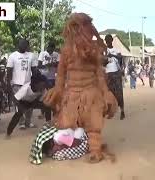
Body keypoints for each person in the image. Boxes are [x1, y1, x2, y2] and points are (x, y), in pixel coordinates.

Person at [43, 13, 117, 163]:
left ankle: (95, 149)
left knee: (93, 126)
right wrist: (58, 89)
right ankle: (77, 143)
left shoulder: (94, 51)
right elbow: (61, 75)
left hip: (91, 93)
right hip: (72, 94)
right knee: (67, 126)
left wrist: (106, 92)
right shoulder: (66, 51)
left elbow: (99, 75)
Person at [6, 39, 38, 129]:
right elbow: (9, 71)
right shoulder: (13, 56)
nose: (24, 45)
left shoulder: (31, 56)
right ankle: (21, 122)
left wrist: (35, 82)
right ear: (18, 44)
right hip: (16, 84)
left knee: (29, 104)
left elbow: (34, 70)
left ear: (27, 46)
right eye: (22, 43)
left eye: (25, 44)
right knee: (19, 104)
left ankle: (28, 121)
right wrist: (9, 84)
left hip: (28, 84)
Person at [104, 34, 125, 120]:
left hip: (116, 73)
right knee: (109, 93)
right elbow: (102, 62)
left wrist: (113, 55)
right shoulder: (104, 50)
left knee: (119, 93)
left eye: (109, 40)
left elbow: (120, 58)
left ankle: (122, 111)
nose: (107, 41)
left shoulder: (116, 50)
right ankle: (110, 111)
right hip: (107, 73)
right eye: (106, 40)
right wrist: (106, 59)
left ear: (112, 40)